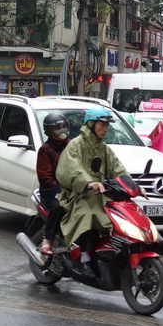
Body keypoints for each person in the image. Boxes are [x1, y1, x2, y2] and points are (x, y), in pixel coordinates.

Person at [56, 107, 128, 279]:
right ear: (90, 124)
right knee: (88, 215)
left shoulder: (104, 149)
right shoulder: (75, 145)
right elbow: (72, 169)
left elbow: (118, 169)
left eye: (107, 125)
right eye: (101, 125)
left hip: (100, 195)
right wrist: (88, 182)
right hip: (77, 195)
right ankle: (85, 258)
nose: (105, 129)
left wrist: (134, 185)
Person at [36, 112, 71, 256]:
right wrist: (61, 192)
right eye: (57, 128)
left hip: (72, 188)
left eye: (63, 127)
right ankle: (48, 240)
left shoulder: (72, 144)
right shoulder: (46, 150)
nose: (61, 130)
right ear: (49, 131)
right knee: (59, 207)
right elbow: (45, 178)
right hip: (52, 190)